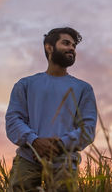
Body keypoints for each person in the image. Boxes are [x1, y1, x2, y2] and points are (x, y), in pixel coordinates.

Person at [5, 27, 97, 191]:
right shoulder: (25, 85)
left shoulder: (83, 88)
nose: (72, 48)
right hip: (27, 159)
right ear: (49, 47)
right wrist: (34, 141)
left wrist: (60, 145)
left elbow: (87, 129)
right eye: (66, 43)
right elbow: (13, 121)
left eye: (74, 46)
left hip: (65, 161)